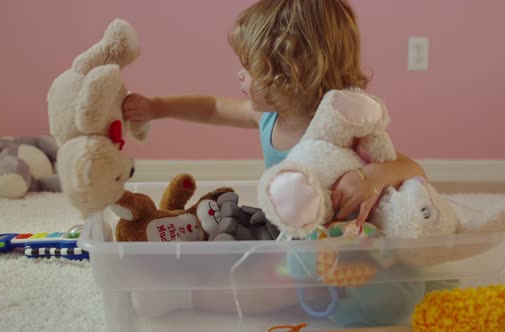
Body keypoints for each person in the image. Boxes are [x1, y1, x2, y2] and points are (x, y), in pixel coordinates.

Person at [124, 0, 431, 327]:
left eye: (249, 68)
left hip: (335, 250)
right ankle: (180, 267)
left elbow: (413, 169)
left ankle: (179, 295)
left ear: (289, 72)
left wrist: (372, 176)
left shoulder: (339, 127)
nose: (239, 75)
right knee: (222, 230)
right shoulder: (268, 115)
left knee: (271, 286)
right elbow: (212, 108)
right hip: (282, 232)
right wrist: (157, 107)